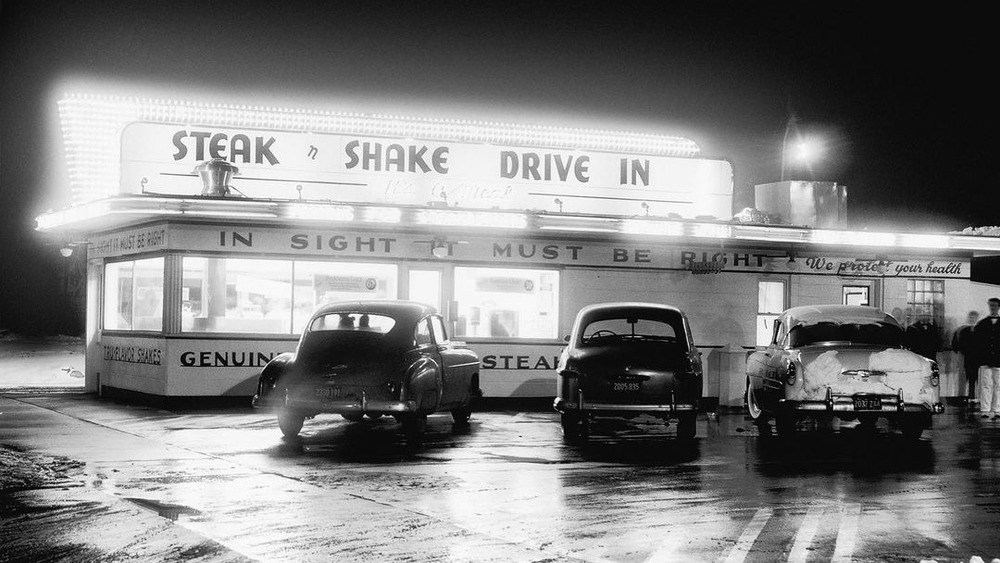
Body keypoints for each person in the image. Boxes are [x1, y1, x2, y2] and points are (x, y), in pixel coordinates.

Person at [974, 298, 1000, 420]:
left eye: (995, 306)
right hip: (985, 359)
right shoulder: (982, 324)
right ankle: (985, 409)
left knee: (998, 385)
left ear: (998, 307)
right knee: (986, 385)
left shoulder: (982, 323)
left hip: (998, 359)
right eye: (991, 306)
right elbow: (977, 343)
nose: (993, 308)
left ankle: (997, 409)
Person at [952, 311, 981, 404]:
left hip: (971, 357)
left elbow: (959, 344)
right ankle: (970, 396)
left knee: (972, 377)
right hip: (970, 357)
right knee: (971, 377)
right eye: (971, 318)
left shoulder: (964, 330)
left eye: (973, 318)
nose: (972, 319)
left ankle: (969, 395)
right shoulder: (974, 330)